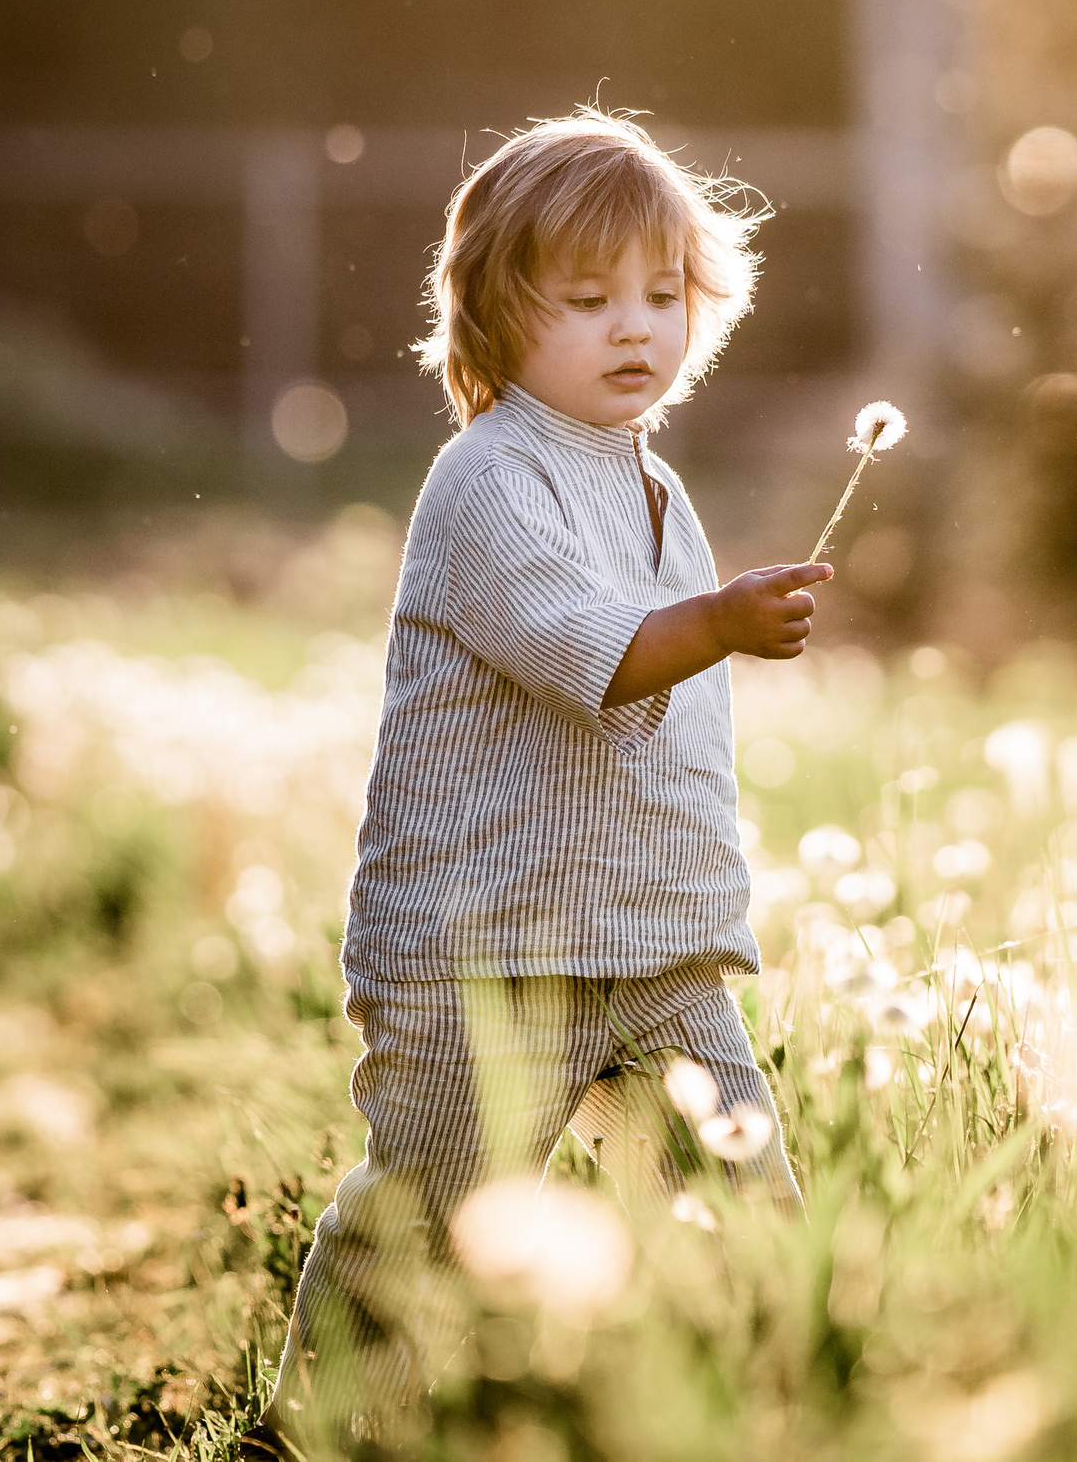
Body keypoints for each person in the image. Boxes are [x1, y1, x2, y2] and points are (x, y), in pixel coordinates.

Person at [257, 110, 826, 1449]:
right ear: (497, 318)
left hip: (657, 943)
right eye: (586, 300)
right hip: (488, 956)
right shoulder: (489, 483)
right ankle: (304, 1431)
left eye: (663, 294)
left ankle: (774, 1422)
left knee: (745, 1217)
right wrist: (724, 622)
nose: (635, 326)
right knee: (424, 1222)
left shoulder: (657, 488)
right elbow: (597, 658)